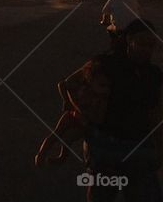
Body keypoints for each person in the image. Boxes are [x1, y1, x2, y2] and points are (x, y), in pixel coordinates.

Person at [71, 18, 162, 201]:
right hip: (106, 146)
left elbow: (155, 114)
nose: (147, 49)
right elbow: (70, 84)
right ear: (129, 40)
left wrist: (159, 150)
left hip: (139, 147)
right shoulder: (105, 63)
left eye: (151, 45)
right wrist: (87, 114)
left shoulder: (153, 74)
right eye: (142, 43)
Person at [35, 56, 110, 165]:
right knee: (55, 134)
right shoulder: (88, 89)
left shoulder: (100, 98)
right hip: (74, 115)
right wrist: (67, 101)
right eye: (102, 86)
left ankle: (61, 157)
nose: (105, 90)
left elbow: (98, 117)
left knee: (67, 138)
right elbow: (63, 84)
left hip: (83, 121)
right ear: (92, 81)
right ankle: (41, 154)